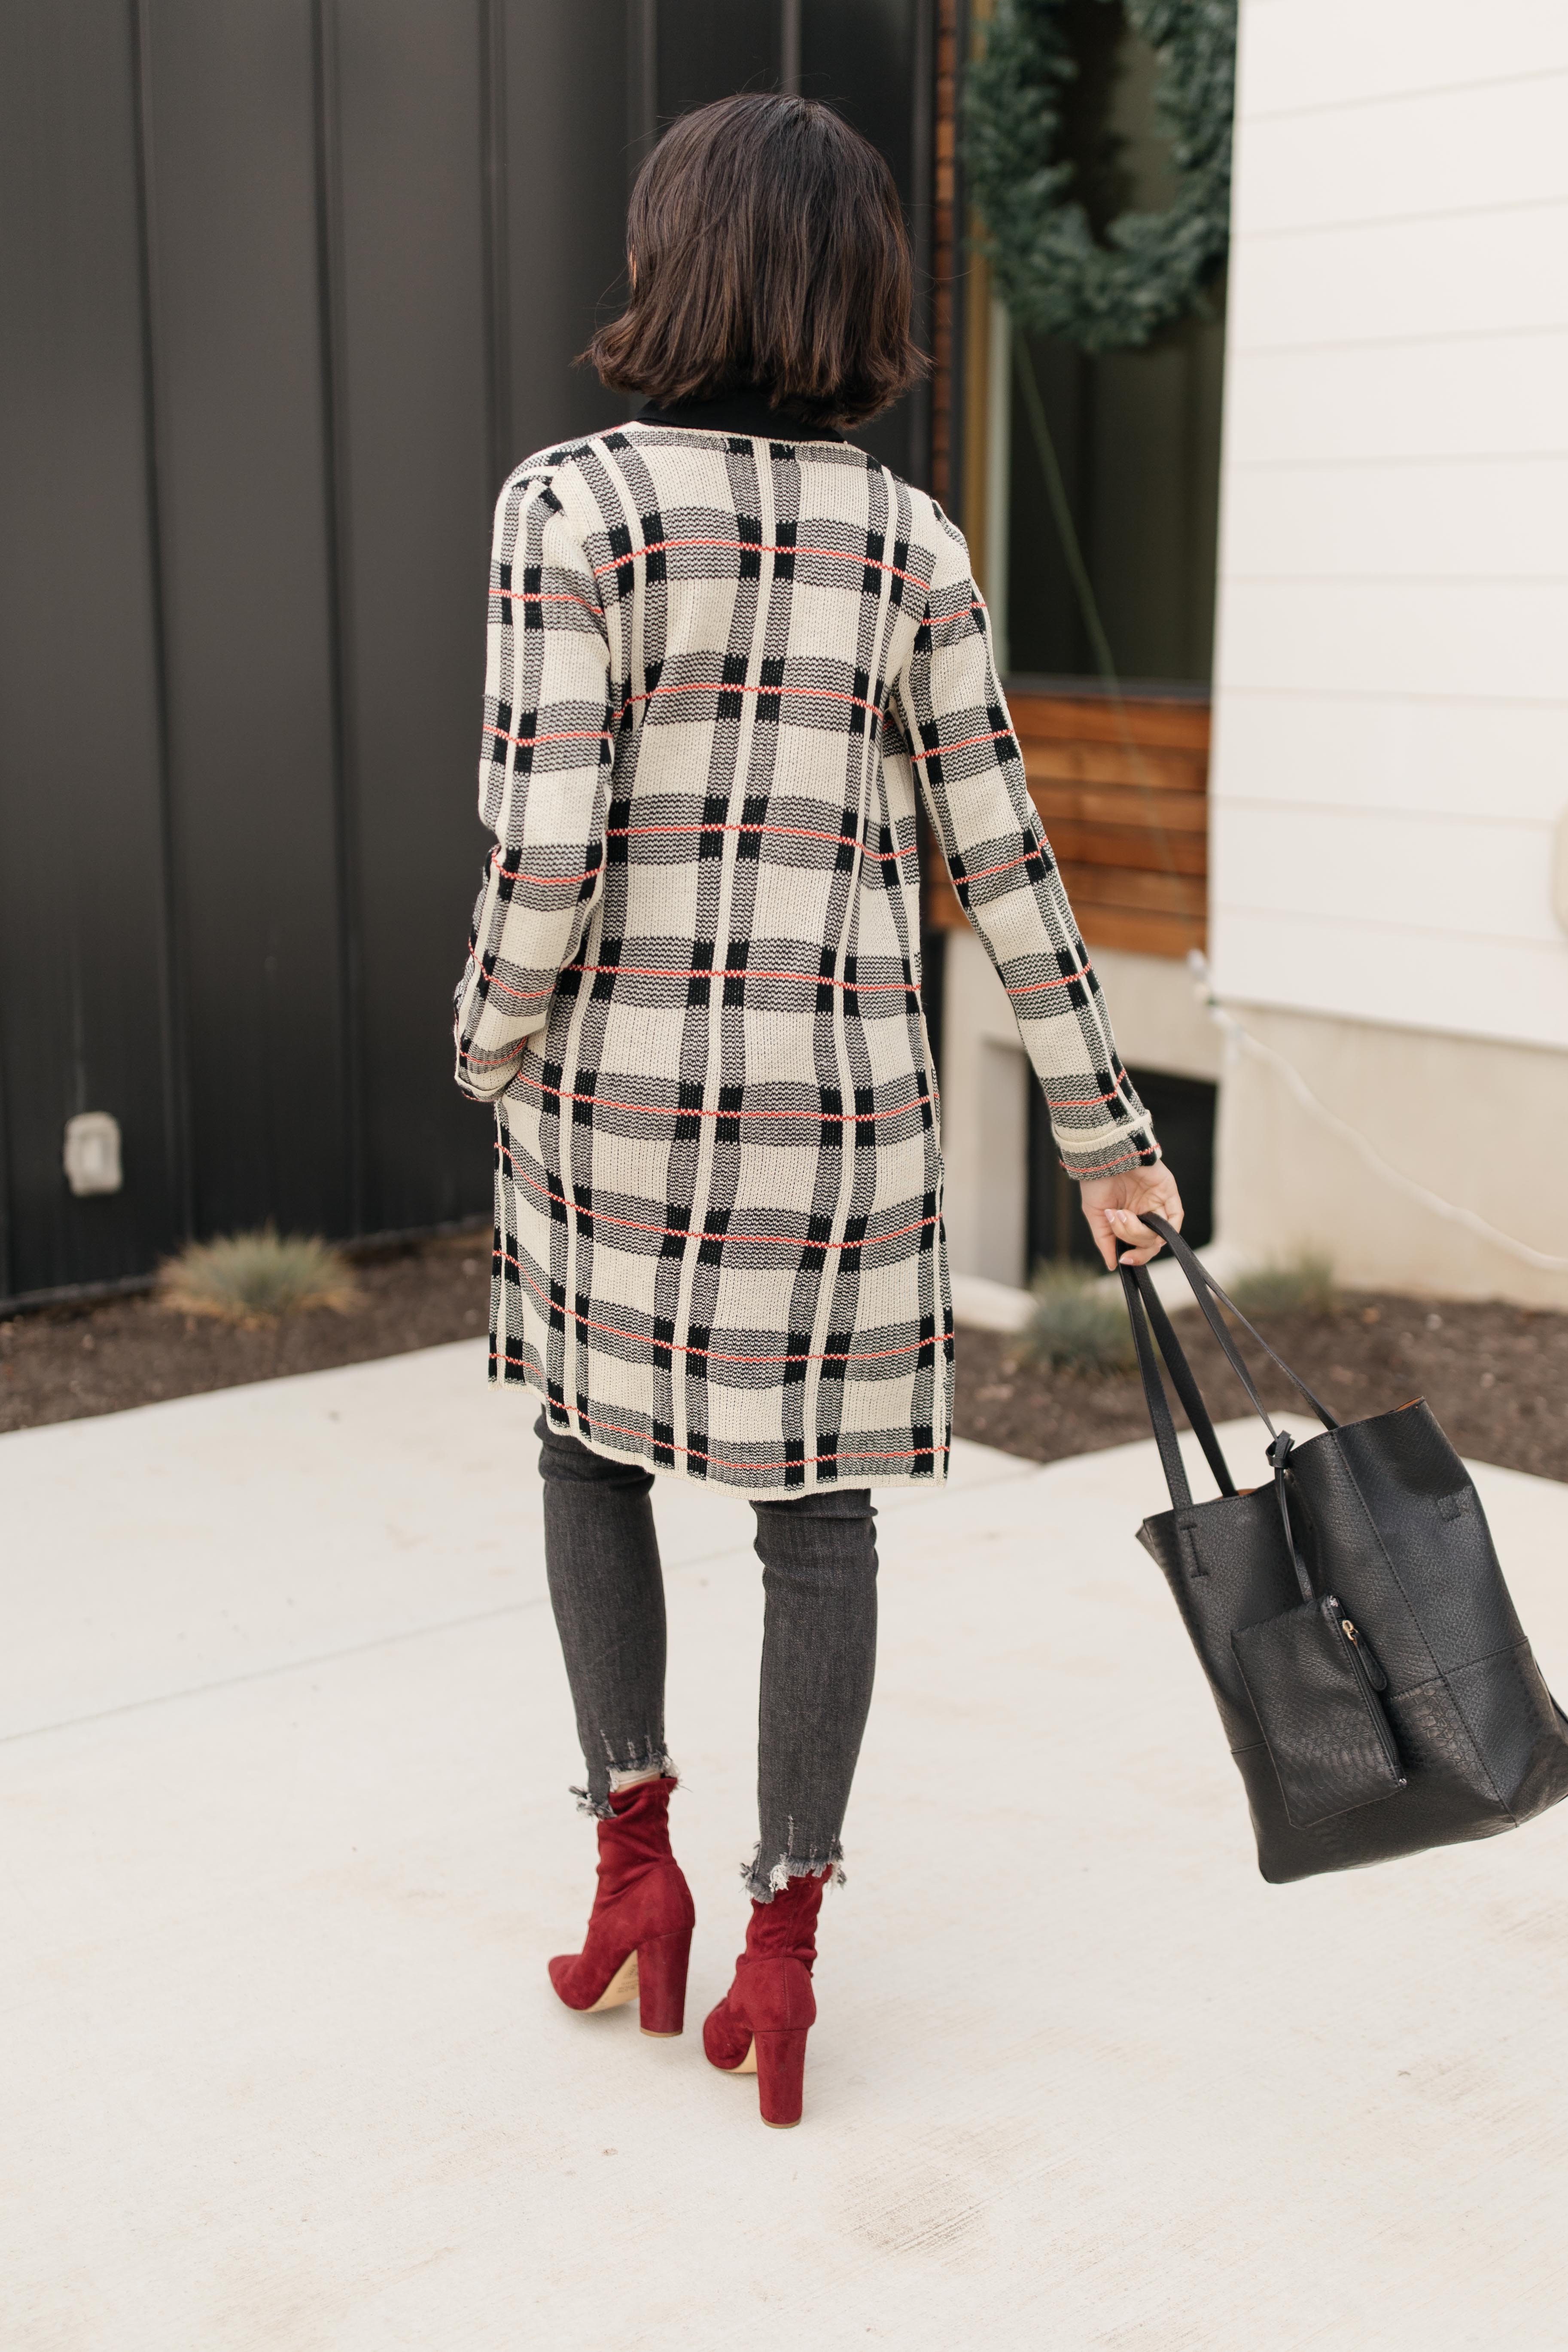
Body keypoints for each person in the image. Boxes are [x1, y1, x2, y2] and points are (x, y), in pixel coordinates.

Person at [452, 91, 1182, 2129]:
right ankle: (782, 1944)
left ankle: (634, 1873)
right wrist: (1105, 1139)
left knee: (589, 1462)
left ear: (665, 258)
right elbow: (1003, 861)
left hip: (610, 1110)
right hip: (843, 1119)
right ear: (859, 287)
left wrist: (485, 1047)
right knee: (820, 1515)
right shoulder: (912, 538)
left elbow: (542, 857)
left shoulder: (568, 508)